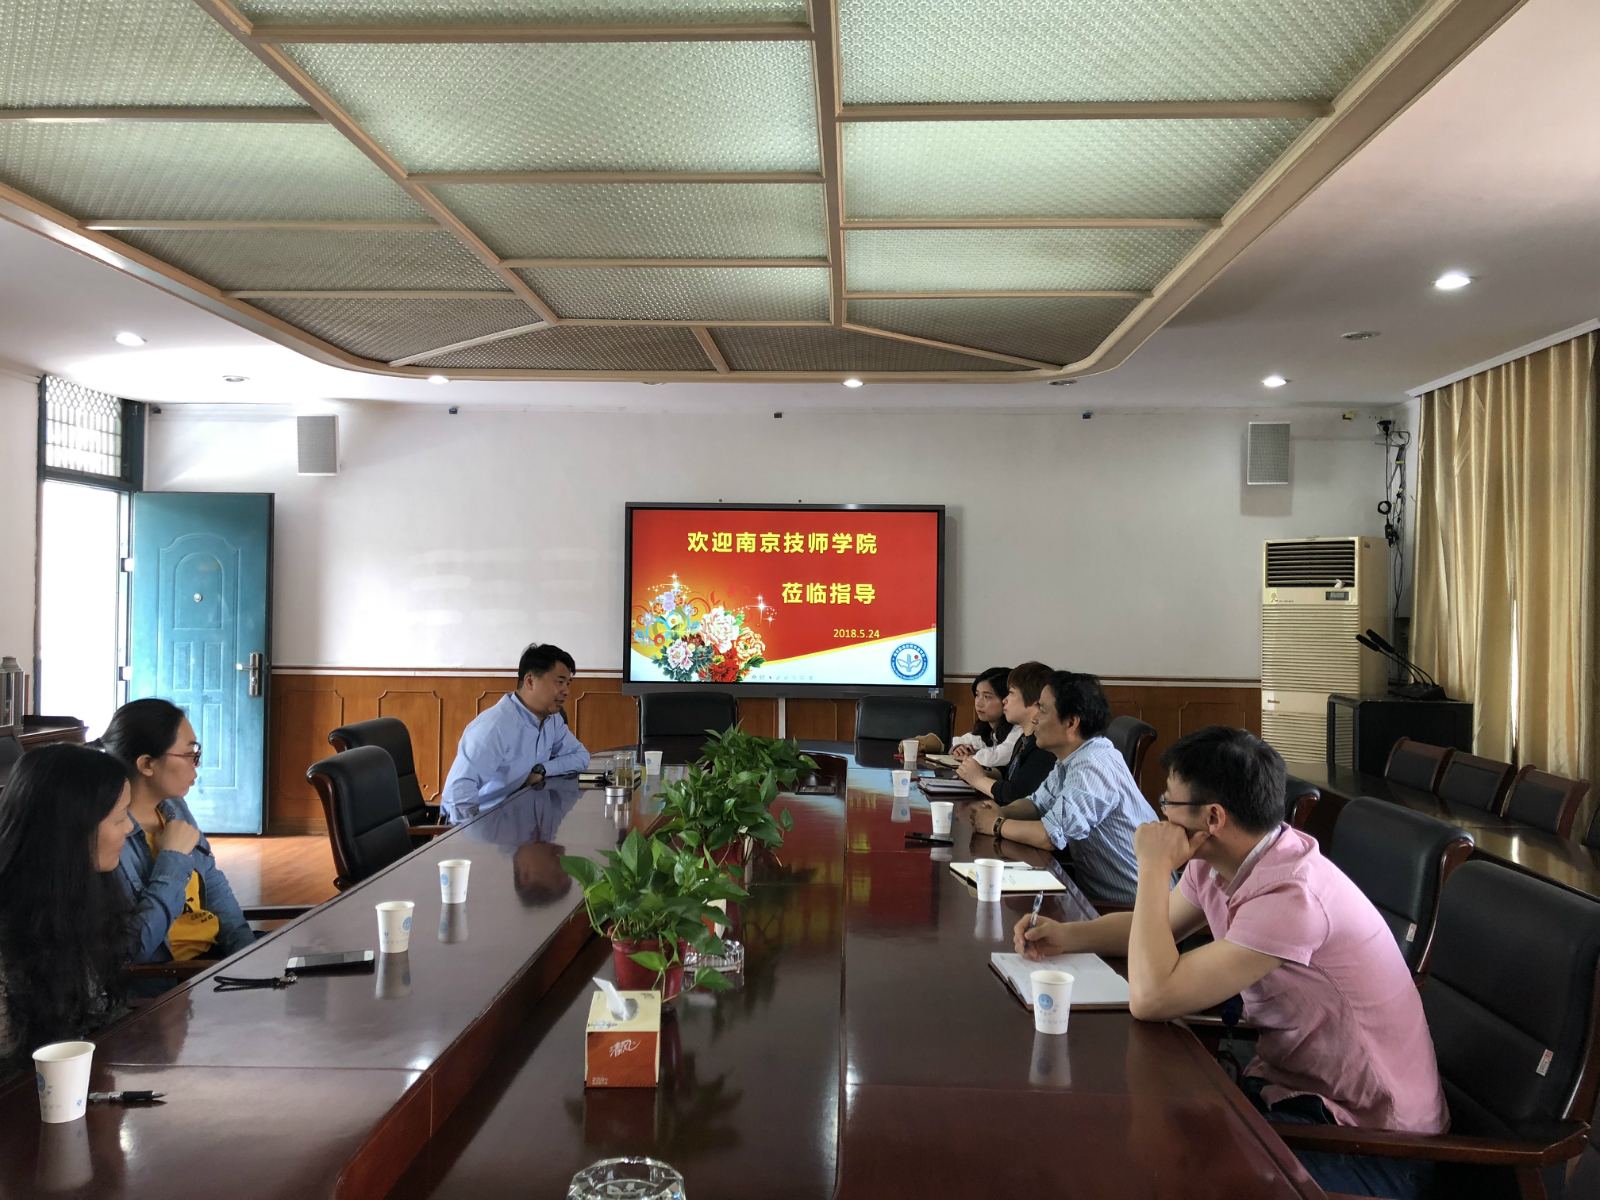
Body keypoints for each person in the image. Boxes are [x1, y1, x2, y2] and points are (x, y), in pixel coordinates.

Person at [1014, 726, 1446, 1199]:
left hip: (1373, 1142)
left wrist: (1153, 867)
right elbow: (1155, 925)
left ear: (1213, 817)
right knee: (1124, 1133)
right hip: (1291, 1093)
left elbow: (1152, 998)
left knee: (1159, 1169)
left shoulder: (1292, 895)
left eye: (1168, 802)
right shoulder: (1225, 859)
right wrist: (1067, 936)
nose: (1160, 814)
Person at [0, 744, 136, 1074]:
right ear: (74, 830)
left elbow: (95, 1013)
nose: (130, 827)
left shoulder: (80, 896)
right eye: (120, 817)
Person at [965, 671, 1155, 905]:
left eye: (1043, 710)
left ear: (1071, 723)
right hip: (1088, 893)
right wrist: (1001, 812)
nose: (1035, 719)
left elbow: (1050, 836)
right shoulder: (1073, 757)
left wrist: (996, 824)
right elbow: (1036, 803)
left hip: (1129, 908)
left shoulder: (1092, 766)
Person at [100, 699, 254, 964]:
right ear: (147, 764)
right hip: (172, 975)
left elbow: (213, 883)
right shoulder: (109, 837)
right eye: (189, 753)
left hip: (214, 960)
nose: (197, 763)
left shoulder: (173, 806)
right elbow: (136, 947)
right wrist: (173, 857)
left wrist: (247, 954)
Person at [442, 643, 591, 822]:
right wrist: (475, 834)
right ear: (530, 681)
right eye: (559, 682)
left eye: (567, 684)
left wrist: (542, 769)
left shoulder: (552, 719)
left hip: (525, 818)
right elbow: (458, 794)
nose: (566, 691)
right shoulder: (494, 727)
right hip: (490, 823)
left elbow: (580, 756)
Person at [955, 660, 1055, 803]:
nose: (1005, 701)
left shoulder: (1043, 746)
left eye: (1011, 693)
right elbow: (1012, 775)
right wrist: (982, 771)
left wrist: (978, 779)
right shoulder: (1024, 739)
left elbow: (1017, 794)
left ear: (1034, 701)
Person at [949, 667, 1020, 769]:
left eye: (987, 697)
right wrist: (959, 747)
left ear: (1006, 699)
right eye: (977, 695)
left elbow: (997, 757)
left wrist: (967, 758)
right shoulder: (989, 728)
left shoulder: (1019, 728)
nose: (978, 703)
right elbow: (967, 739)